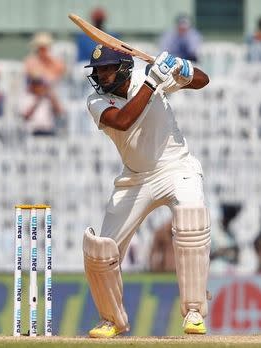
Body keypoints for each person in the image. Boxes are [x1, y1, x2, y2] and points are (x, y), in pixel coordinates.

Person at [82, 44, 210, 338]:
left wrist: (183, 68)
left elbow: (203, 82)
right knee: (101, 251)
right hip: (135, 178)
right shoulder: (96, 100)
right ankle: (112, 320)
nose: (102, 76)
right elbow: (124, 122)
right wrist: (154, 81)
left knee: (192, 218)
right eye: (98, 70)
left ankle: (193, 311)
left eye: (107, 69)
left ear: (125, 68)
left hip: (177, 167)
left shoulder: (148, 77)